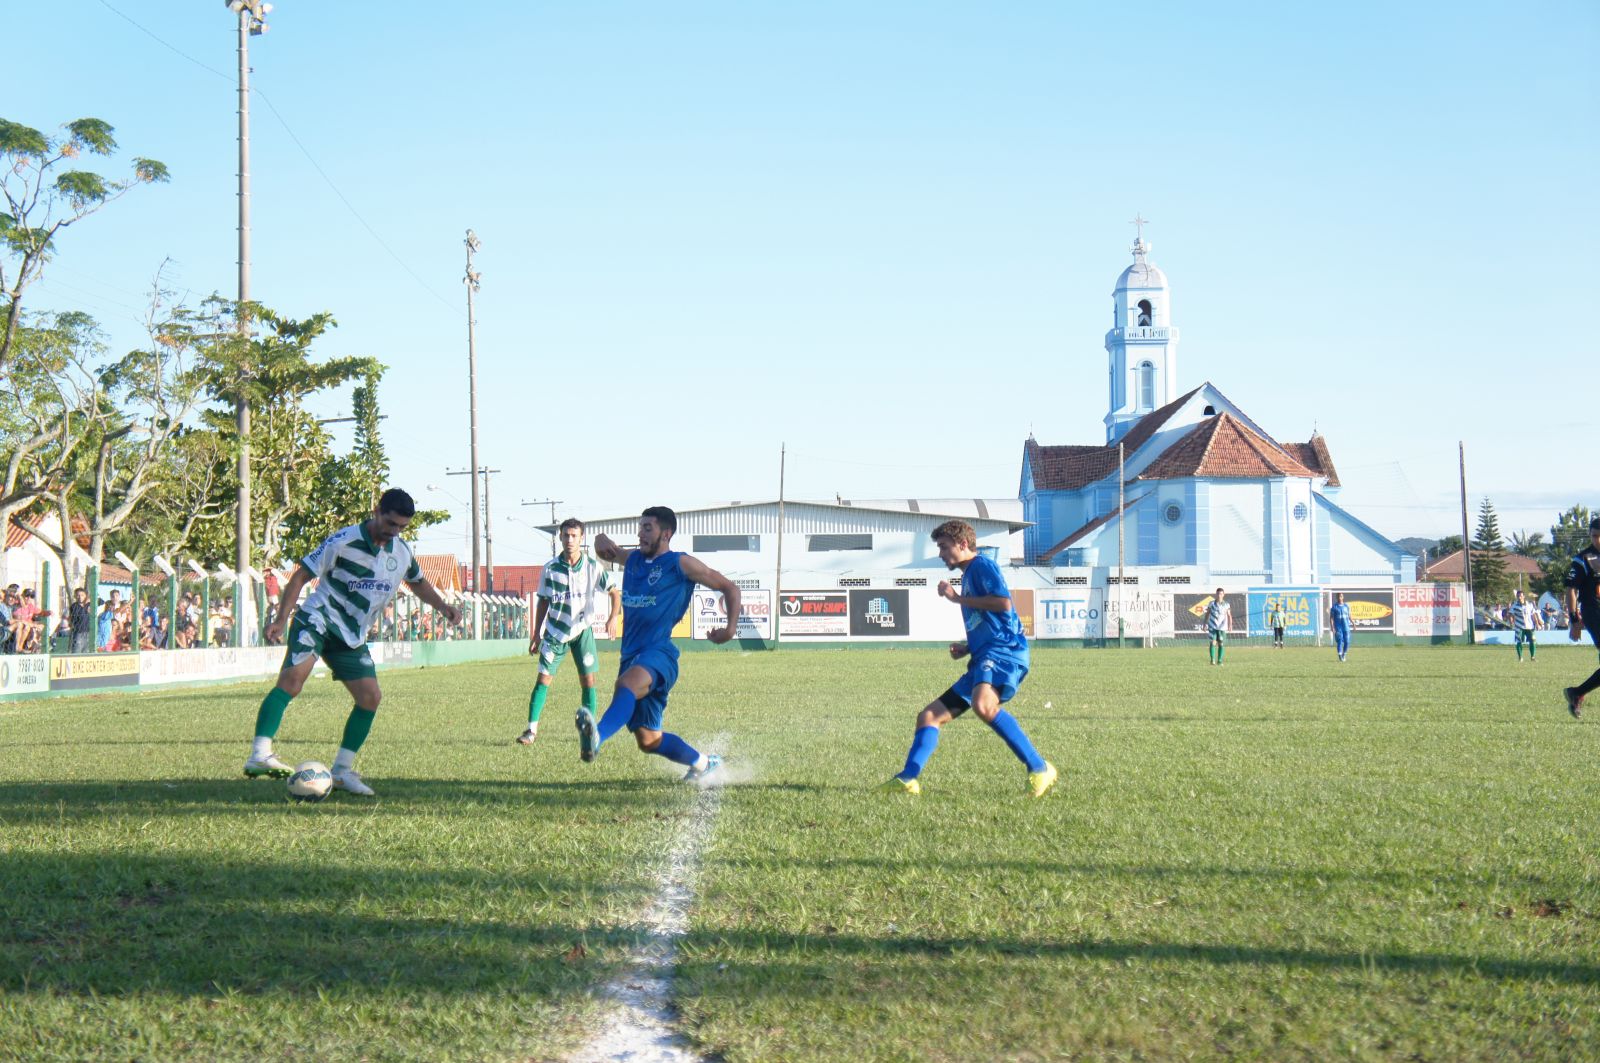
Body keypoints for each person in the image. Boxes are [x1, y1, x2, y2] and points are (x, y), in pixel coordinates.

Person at [243, 489, 463, 796]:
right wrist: (281, 619)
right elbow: (299, 576)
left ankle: (342, 772)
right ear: (376, 511)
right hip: (319, 619)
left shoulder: (401, 552)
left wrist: (443, 607)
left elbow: (418, 582)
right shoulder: (343, 541)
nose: (394, 531)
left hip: (351, 635)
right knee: (292, 682)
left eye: (402, 527)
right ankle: (260, 754)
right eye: (390, 523)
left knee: (370, 698)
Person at [880, 520, 1057, 798]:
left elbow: (1003, 603)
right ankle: (908, 779)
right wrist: (968, 647)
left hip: (1004, 652)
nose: (941, 554)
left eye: (944, 546)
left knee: (983, 705)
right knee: (928, 717)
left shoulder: (981, 566)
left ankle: (1039, 767)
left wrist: (956, 599)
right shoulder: (968, 573)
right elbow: (991, 619)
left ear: (963, 544)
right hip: (984, 655)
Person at [578, 506, 739, 780]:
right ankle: (703, 764)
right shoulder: (634, 559)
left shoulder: (681, 564)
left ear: (666, 533)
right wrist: (599, 541)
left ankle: (597, 737)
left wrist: (729, 629)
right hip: (631, 656)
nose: (640, 533)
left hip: (659, 652)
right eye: (640, 527)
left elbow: (730, 588)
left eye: (647, 528)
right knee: (649, 740)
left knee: (626, 684)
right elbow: (607, 550)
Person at [517, 518, 620, 745]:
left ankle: (590, 729)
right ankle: (531, 730)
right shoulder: (550, 569)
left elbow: (614, 592)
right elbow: (543, 601)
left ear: (581, 539)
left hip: (582, 631)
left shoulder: (593, 566)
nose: (570, 540)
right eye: (566, 535)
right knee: (543, 679)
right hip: (555, 633)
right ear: (560, 537)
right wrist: (536, 633)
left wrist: (613, 617)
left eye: (574, 536)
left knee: (588, 681)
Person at [1561, 515, 1600, 719]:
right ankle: (1577, 693)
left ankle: (1576, 693)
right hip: (1594, 613)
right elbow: (1571, 590)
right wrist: (1574, 621)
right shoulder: (1583, 559)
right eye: (1594, 536)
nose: (1597, 540)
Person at [1509, 588, 1539, 663]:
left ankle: (1532, 657)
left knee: (1533, 641)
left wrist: (1537, 623)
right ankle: (1520, 657)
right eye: (1518, 596)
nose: (1520, 597)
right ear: (1517, 597)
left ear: (1524, 596)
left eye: (1521, 596)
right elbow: (1511, 614)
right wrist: (1511, 622)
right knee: (1519, 642)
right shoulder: (1514, 605)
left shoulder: (1530, 604)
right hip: (1519, 627)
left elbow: (1533, 614)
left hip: (1530, 627)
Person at [1205, 587, 1232, 665]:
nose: (1219, 595)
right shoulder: (1211, 603)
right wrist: (1204, 623)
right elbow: (1207, 613)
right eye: (1218, 593)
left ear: (1223, 595)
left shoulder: (1227, 604)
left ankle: (1219, 661)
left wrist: (1230, 625)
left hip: (1222, 627)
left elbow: (1229, 615)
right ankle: (1212, 660)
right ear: (1216, 594)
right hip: (1212, 626)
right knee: (1212, 642)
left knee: (1221, 643)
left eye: (1221, 594)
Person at [1330, 592, 1353, 662]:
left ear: (1343, 597)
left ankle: (1344, 654)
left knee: (1347, 642)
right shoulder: (1334, 607)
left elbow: (1349, 616)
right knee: (1340, 641)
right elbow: (1331, 618)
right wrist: (1332, 627)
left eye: (1341, 596)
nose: (1340, 597)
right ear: (1337, 597)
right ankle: (1340, 655)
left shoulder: (1346, 606)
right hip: (1338, 627)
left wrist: (1353, 623)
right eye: (1339, 596)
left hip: (1346, 627)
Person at [68, 588, 92, 654]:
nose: (80, 597)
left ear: (85, 596)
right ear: (75, 596)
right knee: (77, 650)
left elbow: (101, 601)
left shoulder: (89, 604)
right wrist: (85, 608)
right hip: (79, 632)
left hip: (89, 632)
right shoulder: (74, 606)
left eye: (82, 595)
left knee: (87, 651)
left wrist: (90, 600)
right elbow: (77, 616)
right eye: (78, 595)